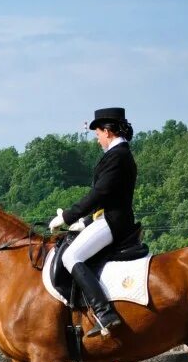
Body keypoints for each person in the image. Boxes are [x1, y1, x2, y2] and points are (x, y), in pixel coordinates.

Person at [48, 106, 138, 331]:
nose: (97, 139)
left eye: (97, 134)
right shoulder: (118, 155)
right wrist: (85, 221)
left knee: (71, 256)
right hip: (107, 217)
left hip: (115, 221)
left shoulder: (118, 156)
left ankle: (103, 312)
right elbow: (106, 196)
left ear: (107, 131)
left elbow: (99, 193)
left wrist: (68, 216)